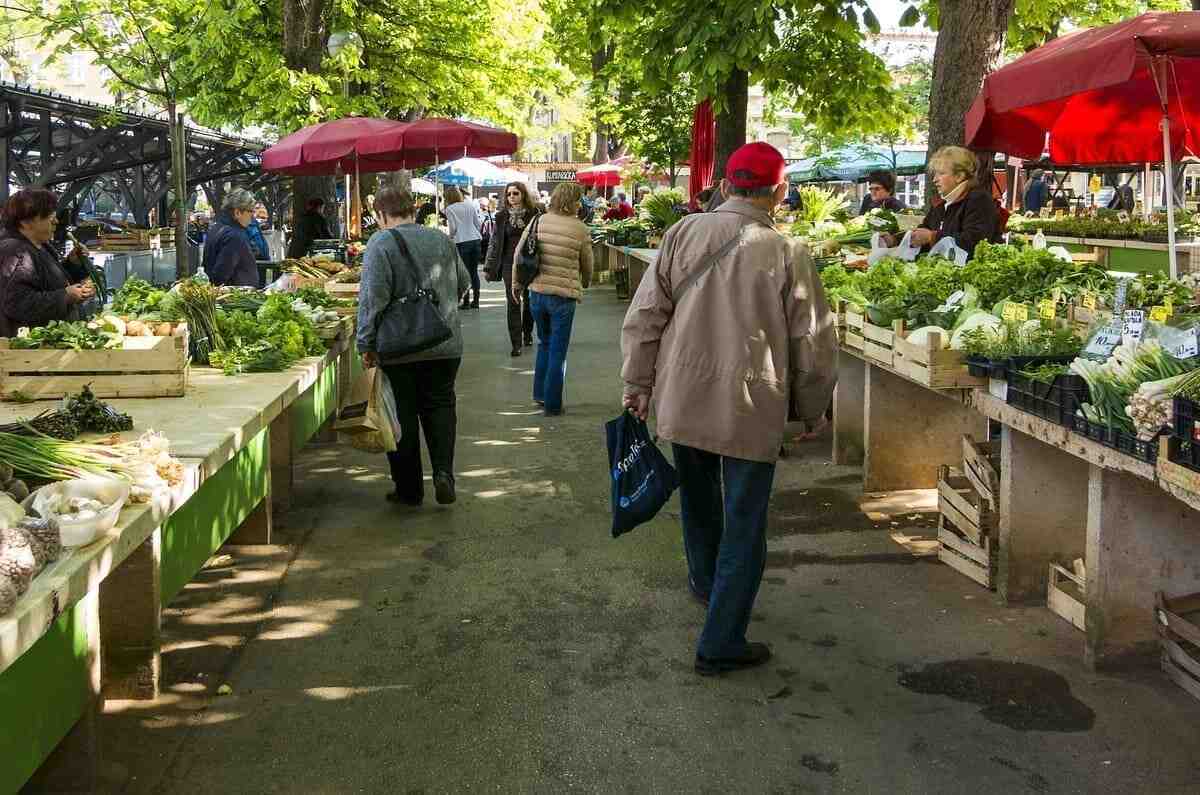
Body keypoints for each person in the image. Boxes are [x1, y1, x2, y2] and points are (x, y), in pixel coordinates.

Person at [619, 142, 838, 677]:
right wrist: (811, 410)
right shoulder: (788, 251)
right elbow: (813, 340)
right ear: (780, 192)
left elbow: (646, 314)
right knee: (745, 520)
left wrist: (637, 383)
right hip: (750, 404)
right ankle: (721, 639)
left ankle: (704, 582)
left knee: (698, 500)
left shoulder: (681, 234)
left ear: (724, 185)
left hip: (685, 394)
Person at [357, 186, 471, 507]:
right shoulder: (440, 239)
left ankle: (409, 490)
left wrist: (365, 342)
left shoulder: (380, 243)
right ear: (413, 209)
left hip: (399, 347)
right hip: (446, 342)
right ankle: (444, 474)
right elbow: (462, 283)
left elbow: (372, 299)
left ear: (380, 214)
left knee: (401, 416)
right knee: (440, 406)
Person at [512, 183, 593, 416]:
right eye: (579, 200)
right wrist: (585, 282)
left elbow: (520, 253)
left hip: (537, 294)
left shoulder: (538, 221)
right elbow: (587, 263)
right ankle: (553, 403)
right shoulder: (580, 228)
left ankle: (539, 394)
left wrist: (516, 284)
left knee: (544, 344)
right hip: (563, 298)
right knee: (558, 349)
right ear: (573, 202)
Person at [0, 188, 97, 336]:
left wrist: (73, 264)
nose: (56, 221)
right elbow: (17, 304)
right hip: (30, 351)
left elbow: (45, 281)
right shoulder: (15, 251)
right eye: (48, 216)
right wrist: (65, 296)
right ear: (26, 222)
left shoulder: (39, 245)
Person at [908, 146, 1002, 260]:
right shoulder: (941, 204)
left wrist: (932, 237)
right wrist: (894, 239)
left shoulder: (978, 200)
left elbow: (975, 243)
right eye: (935, 174)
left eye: (941, 173)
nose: (935, 179)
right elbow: (923, 231)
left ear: (959, 176)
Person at [483, 181, 538, 356]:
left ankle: (527, 332)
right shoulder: (501, 216)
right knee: (513, 300)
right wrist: (488, 265)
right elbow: (494, 241)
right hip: (508, 263)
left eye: (515, 193)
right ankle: (516, 343)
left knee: (530, 301)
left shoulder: (534, 214)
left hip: (529, 262)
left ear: (523, 194)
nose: (512, 197)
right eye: (509, 194)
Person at [202, 189, 260, 287]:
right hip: (234, 297)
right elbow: (220, 274)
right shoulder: (235, 236)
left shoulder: (216, 228)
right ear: (237, 213)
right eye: (251, 211)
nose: (253, 217)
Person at [443, 186, 483, 310]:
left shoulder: (449, 209)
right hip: (475, 240)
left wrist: (449, 237)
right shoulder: (470, 205)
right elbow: (478, 224)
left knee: (463, 273)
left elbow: (453, 228)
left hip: (461, 242)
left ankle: (465, 302)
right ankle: (476, 301)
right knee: (474, 272)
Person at [478, 198, 496, 263]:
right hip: (489, 235)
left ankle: (485, 259)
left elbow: (480, 224)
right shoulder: (486, 213)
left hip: (487, 235)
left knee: (487, 247)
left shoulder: (485, 213)